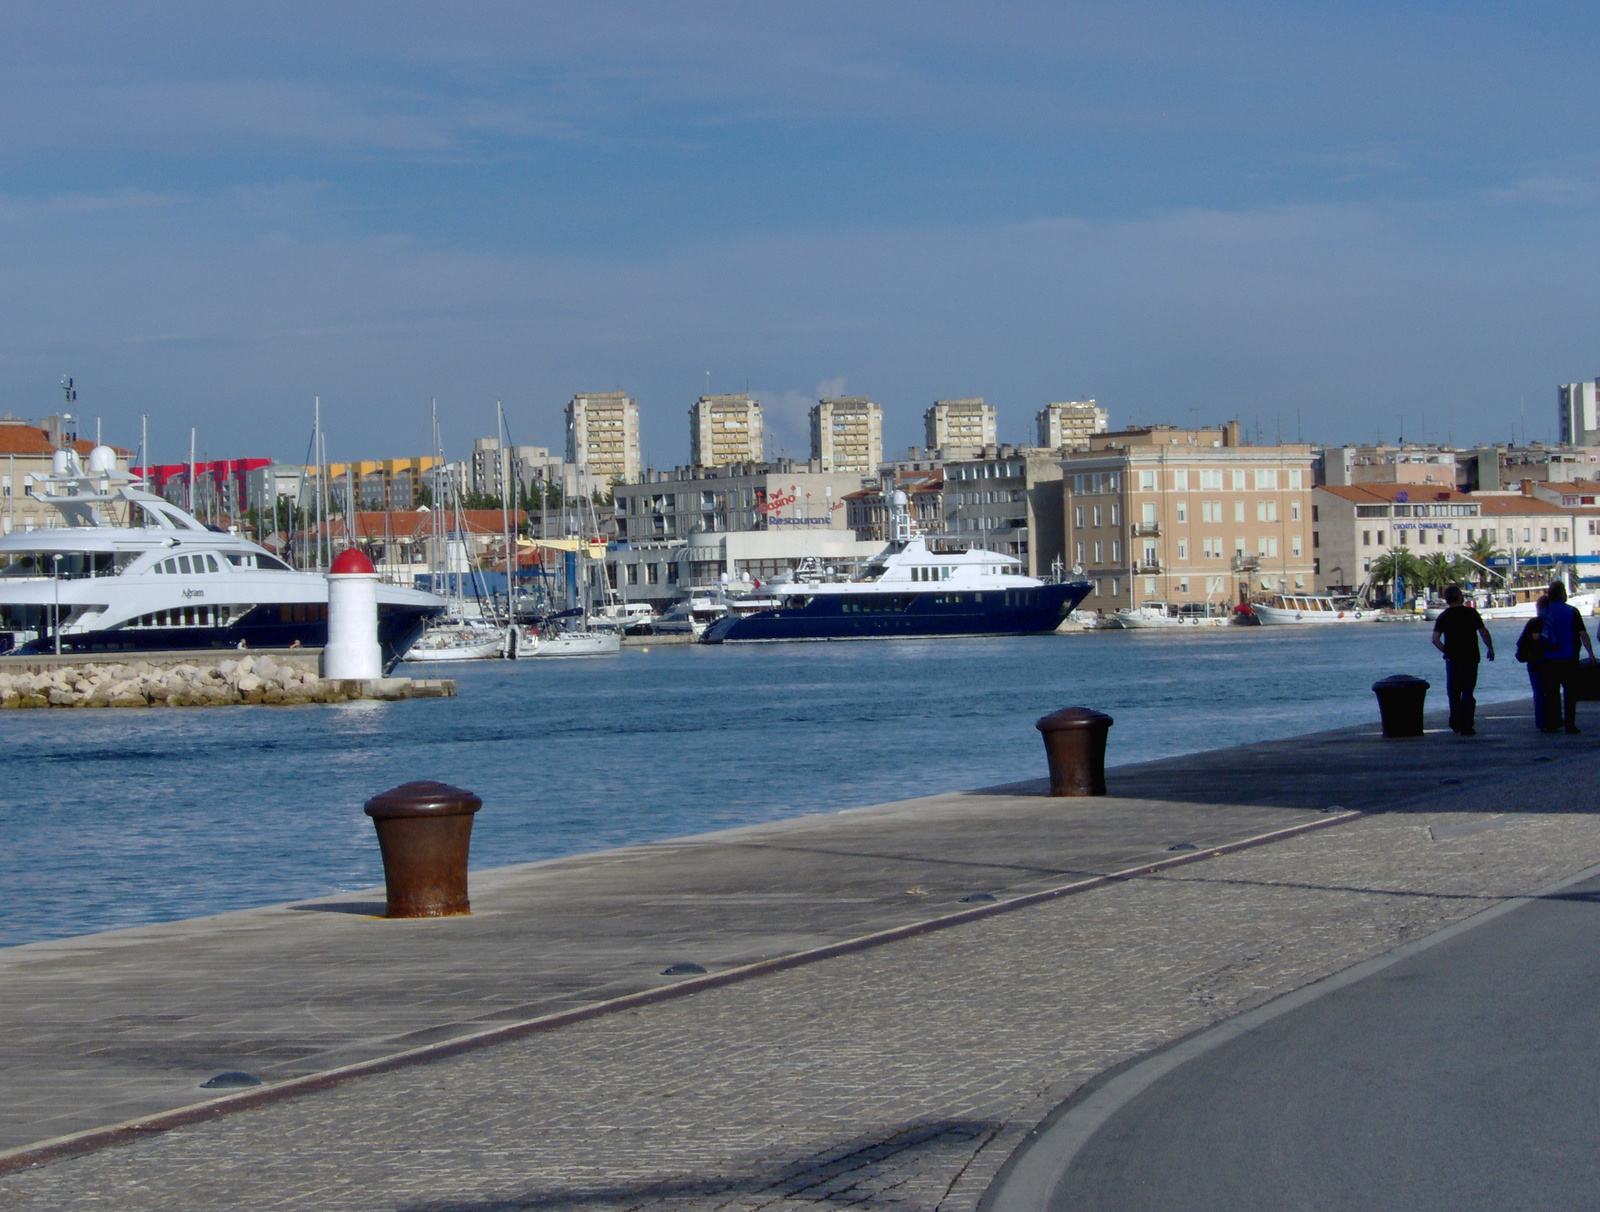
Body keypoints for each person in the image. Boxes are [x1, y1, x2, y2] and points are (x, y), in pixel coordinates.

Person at [1431, 585, 1494, 735]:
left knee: (1453, 692)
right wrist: (1490, 649)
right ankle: (1467, 723)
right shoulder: (1471, 613)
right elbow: (1483, 632)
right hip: (1470, 657)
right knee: (1467, 691)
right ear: (1459, 596)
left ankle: (1455, 722)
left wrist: (1447, 651)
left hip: (1453, 659)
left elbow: (1435, 639)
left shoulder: (1444, 616)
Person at [1539, 581, 1595, 734]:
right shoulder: (1572, 611)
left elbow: (1540, 635)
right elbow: (1583, 634)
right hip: (1569, 657)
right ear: (1562, 593)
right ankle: (1570, 724)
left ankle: (1553, 723)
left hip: (1549, 657)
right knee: (1570, 693)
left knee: (1552, 693)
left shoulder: (1544, 611)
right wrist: (1591, 654)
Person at [1515, 595, 1549, 731]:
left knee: (1539, 692)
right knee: (1548, 691)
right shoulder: (1548, 622)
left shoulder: (1533, 622)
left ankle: (1542, 721)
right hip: (1546, 660)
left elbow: (1521, 642)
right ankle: (1550, 720)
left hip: (1533, 660)